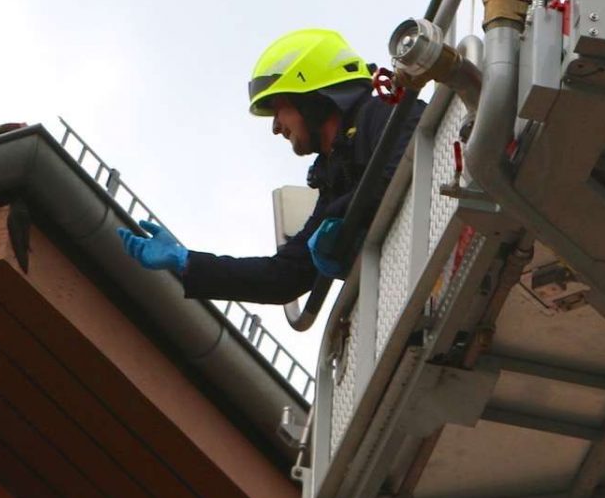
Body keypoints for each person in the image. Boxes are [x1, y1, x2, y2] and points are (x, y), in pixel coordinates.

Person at [118, 28, 424, 305]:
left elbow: (398, 178)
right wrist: (186, 261)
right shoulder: (334, 178)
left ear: (310, 97)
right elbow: (285, 277)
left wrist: (339, 222)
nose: (276, 127)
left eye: (279, 108)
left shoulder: (386, 114)